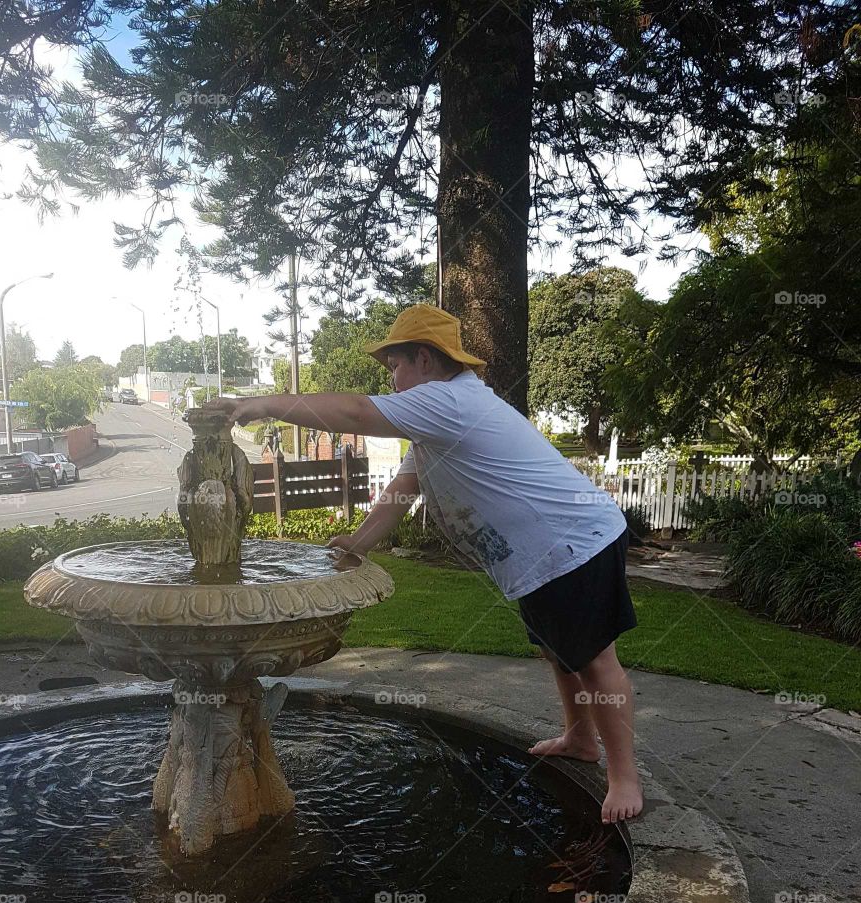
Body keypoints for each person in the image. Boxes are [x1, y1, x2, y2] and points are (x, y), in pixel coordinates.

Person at [209, 303, 642, 824]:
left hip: (574, 542)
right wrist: (359, 544)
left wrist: (263, 405)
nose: (391, 378)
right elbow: (403, 489)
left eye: (394, 365)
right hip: (545, 554)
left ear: (425, 360)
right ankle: (579, 738)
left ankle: (624, 778)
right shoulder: (439, 418)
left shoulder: (449, 401)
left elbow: (352, 413)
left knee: (595, 661)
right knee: (559, 651)